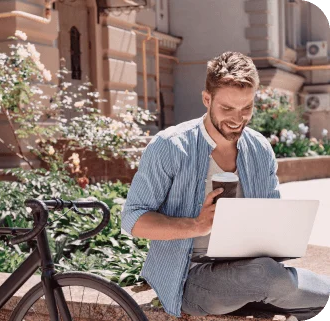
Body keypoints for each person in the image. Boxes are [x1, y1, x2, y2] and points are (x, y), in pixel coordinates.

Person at [121, 51, 330, 321]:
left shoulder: (259, 149)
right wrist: (196, 225)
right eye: (227, 108)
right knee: (266, 277)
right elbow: (133, 219)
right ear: (207, 99)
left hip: (249, 269)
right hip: (188, 276)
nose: (237, 118)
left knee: (311, 304)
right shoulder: (170, 147)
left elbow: (272, 223)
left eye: (246, 108)